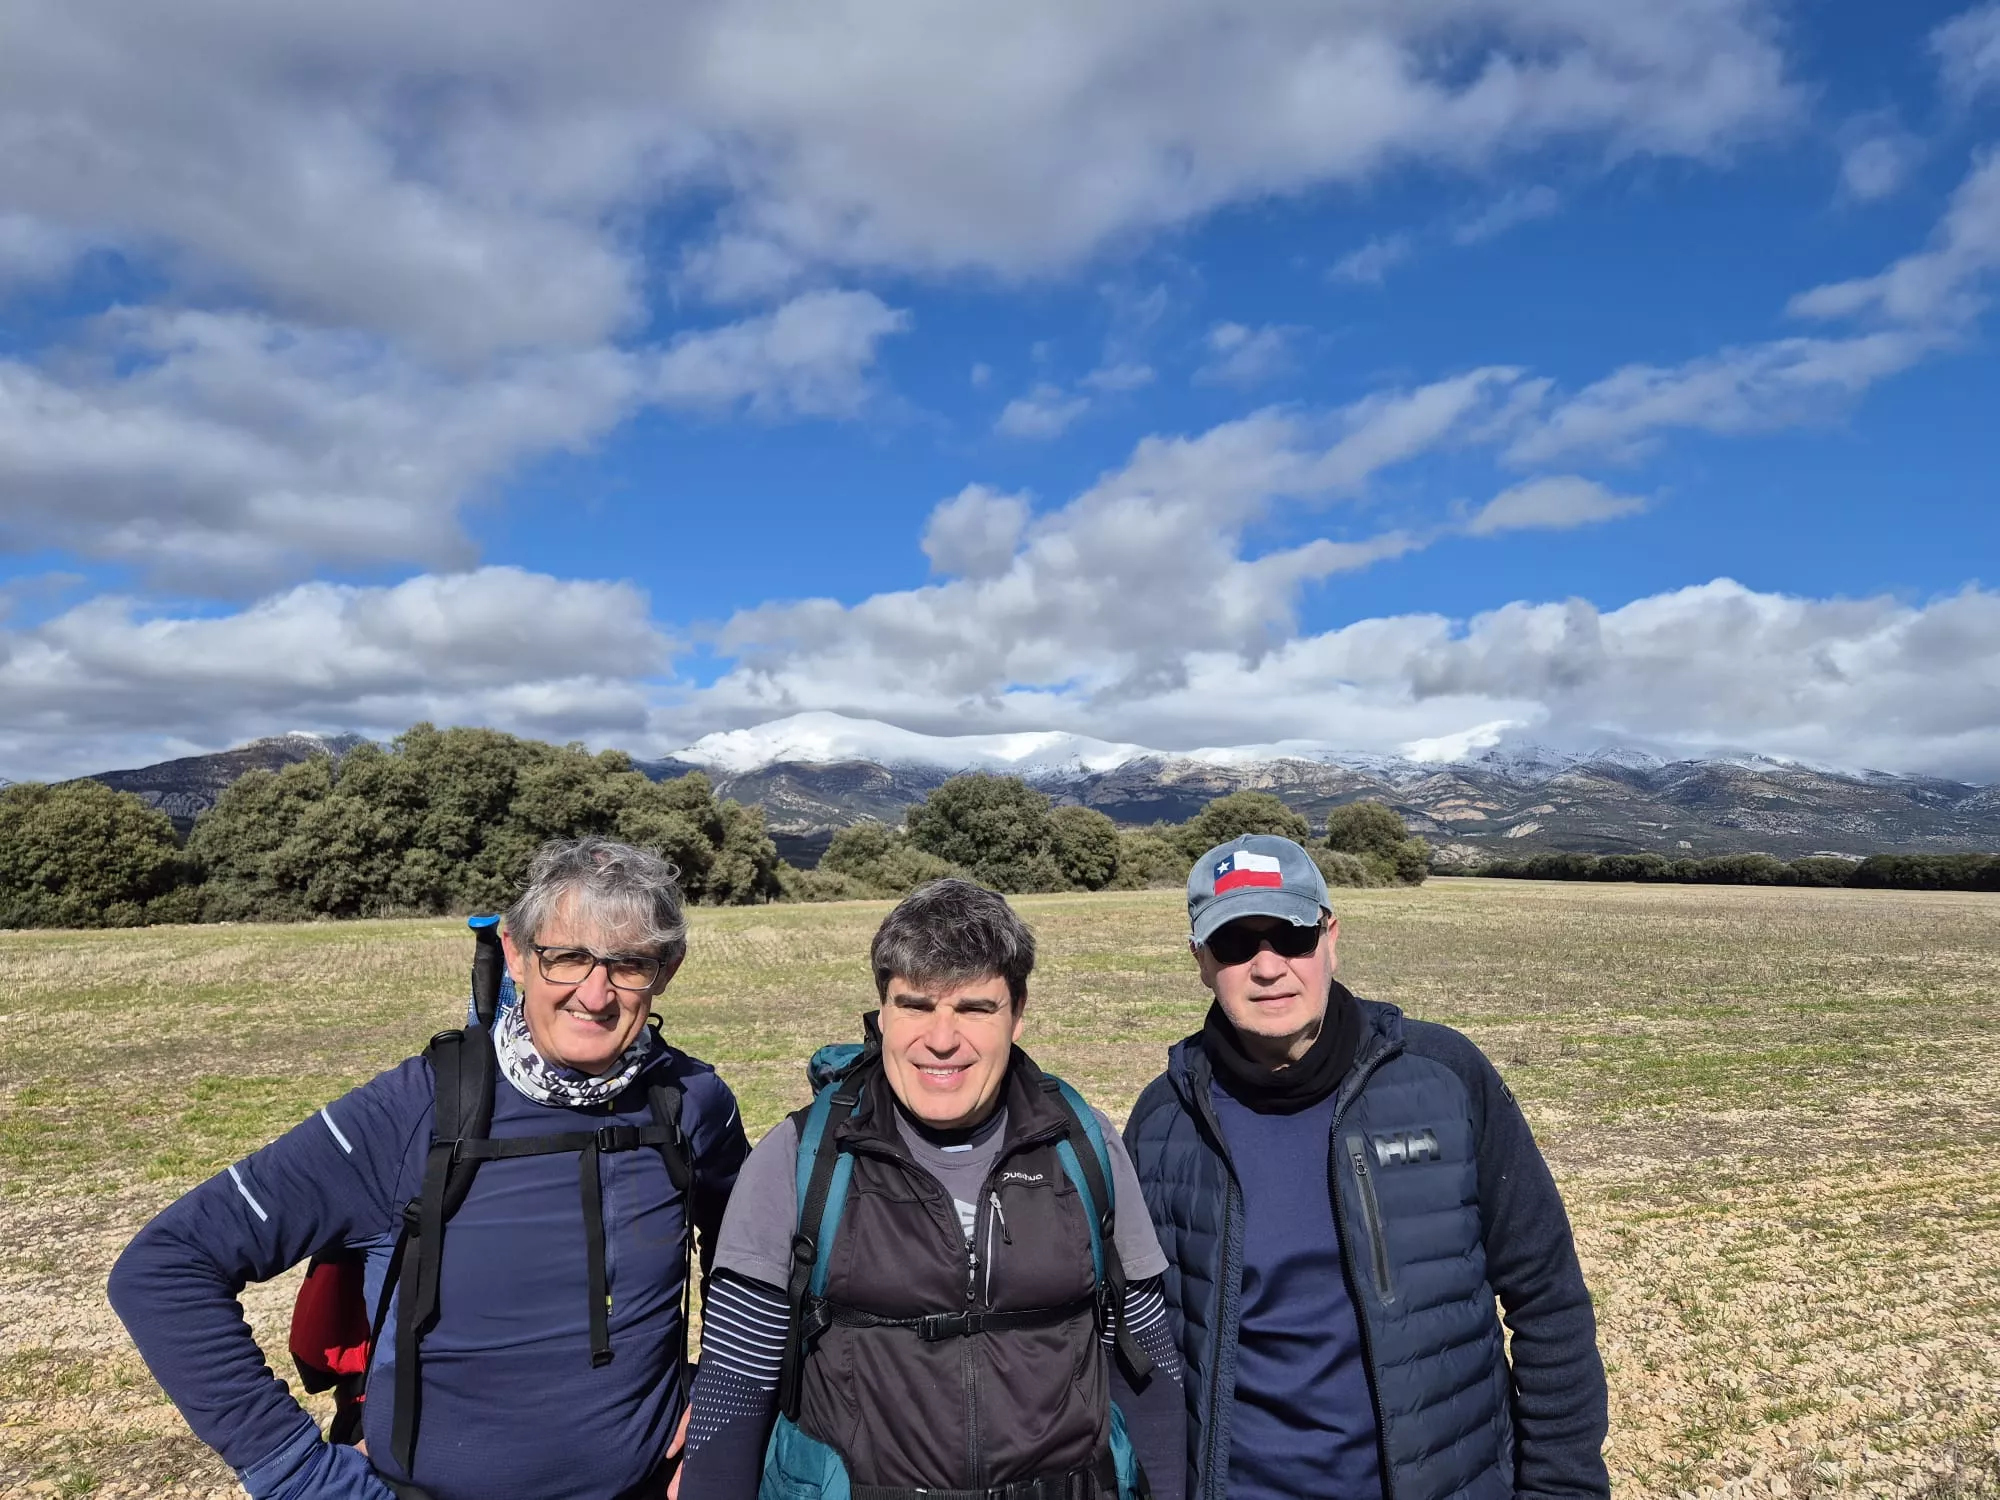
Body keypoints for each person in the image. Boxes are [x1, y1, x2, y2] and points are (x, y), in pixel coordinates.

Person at [109, 837, 748, 1500]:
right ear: (517, 955)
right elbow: (166, 1267)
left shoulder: (692, 1103)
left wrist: (723, 1398)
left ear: (666, 970)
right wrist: (300, 1475)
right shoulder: (415, 1112)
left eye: (629, 964)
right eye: (568, 957)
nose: (595, 993)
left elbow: (751, 1266)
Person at [1123, 835, 1610, 1500]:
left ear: (1330, 938)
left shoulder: (1444, 1080)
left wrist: (1563, 1489)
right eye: (1236, 945)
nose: (1268, 967)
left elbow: (1548, 1299)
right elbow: (1143, 1348)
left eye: (1291, 936)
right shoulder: (1164, 1119)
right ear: (1201, 962)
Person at [680, 878, 1186, 1500]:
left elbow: (1145, 1364)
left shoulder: (1082, 1146)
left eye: (975, 1008)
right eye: (916, 1005)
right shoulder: (799, 1160)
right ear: (882, 1010)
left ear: (1018, 1013)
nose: (942, 1040)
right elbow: (734, 1393)